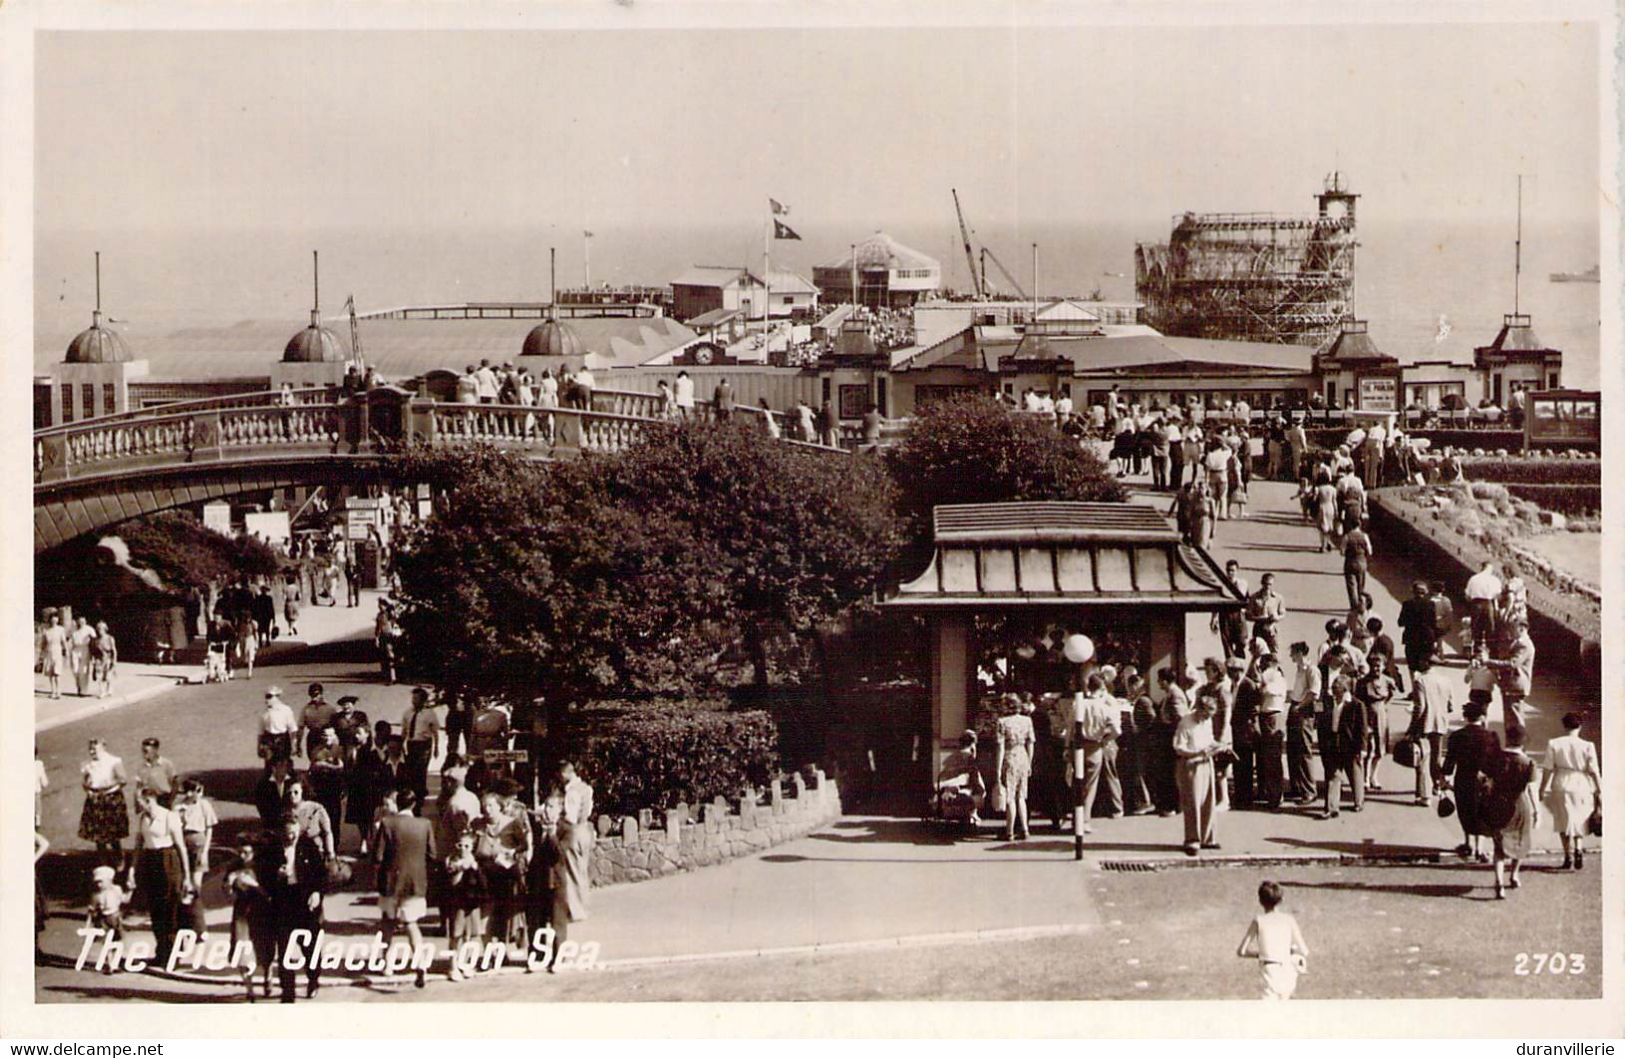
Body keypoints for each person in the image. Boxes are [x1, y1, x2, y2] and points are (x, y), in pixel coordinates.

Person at [260, 815, 328, 1002]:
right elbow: (262, 876)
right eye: (287, 834)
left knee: (310, 947)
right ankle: (287, 990)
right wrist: (276, 874)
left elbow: (322, 874)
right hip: (283, 902)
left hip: (305, 902)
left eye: (294, 833)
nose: (291, 837)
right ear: (281, 832)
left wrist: (317, 893)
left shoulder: (308, 846)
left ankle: (313, 980)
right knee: (284, 949)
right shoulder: (272, 849)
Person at [375, 786, 436, 989]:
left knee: (388, 923)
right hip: (415, 880)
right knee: (411, 923)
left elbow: (377, 856)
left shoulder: (387, 823)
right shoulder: (424, 824)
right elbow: (432, 854)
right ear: (413, 804)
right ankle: (419, 963)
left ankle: (387, 963)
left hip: (391, 881)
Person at [129, 786, 193, 966]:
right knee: (155, 908)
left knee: (170, 908)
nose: (136, 804)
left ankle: (173, 954)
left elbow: (181, 846)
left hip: (168, 860)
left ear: (148, 800)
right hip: (150, 861)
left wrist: (187, 876)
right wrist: (132, 870)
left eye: (138, 800)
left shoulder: (168, 816)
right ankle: (161, 951)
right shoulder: (143, 818)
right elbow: (138, 846)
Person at [1440, 698, 1502, 861]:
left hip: (1463, 779)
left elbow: (1449, 761)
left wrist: (1444, 779)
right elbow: (1497, 761)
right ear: (1481, 717)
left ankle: (1468, 844)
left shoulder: (1456, 736)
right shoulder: (1491, 736)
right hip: (1484, 780)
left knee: (1466, 811)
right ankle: (1479, 849)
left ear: (1465, 717)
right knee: (1481, 813)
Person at [1540, 713, 1601, 871]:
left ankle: (1567, 856)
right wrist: (1600, 790)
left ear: (1564, 726)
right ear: (1579, 726)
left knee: (1563, 820)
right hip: (1582, 784)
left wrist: (1542, 787)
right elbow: (1594, 770)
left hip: (1561, 782)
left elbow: (1547, 768)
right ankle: (1579, 848)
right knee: (1580, 819)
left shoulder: (1554, 743)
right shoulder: (1588, 745)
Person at [1488, 729, 1540, 899]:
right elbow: (1532, 790)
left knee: (1499, 846)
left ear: (1508, 739)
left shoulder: (1496, 758)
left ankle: (1498, 882)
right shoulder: (1528, 763)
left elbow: (1486, 780)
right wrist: (1537, 810)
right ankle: (1514, 875)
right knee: (1521, 842)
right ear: (1523, 743)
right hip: (1519, 806)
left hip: (1498, 803)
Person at [1236, 880, 1310, 1000]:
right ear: (1281, 900)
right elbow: (1304, 950)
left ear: (1260, 901)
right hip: (1288, 970)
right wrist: (1289, 950)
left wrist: (1261, 954)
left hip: (1269, 971)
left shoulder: (1258, 920)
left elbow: (1242, 951)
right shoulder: (1289, 919)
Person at [1173, 692, 1223, 856]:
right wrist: (1196, 753)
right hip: (1191, 764)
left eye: (1211, 715)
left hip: (1206, 762)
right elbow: (1178, 747)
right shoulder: (1185, 723)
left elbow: (1209, 740)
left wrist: (1219, 745)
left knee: (1209, 800)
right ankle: (1192, 840)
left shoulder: (1206, 722)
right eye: (1206, 714)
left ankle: (1207, 838)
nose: (1208, 718)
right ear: (1200, 710)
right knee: (1192, 802)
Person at [226, 844, 276, 1000]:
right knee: (241, 950)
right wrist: (229, 885)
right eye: (239, 852)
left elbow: (271, 896)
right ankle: (250, 989)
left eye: (246, 852)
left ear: (254, 853)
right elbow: (229, 898)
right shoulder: (233, 870)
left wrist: (254, 884)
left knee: (265, 950)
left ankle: (268, 978)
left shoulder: (264, 869)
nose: (242, 856)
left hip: (261, 914)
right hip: (241, 915)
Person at [1075, 676, 1123, 829]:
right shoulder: (1104, 706)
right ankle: (1084, 820)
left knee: (1078, 783)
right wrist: (1105, 739)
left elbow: (1071, 728)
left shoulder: (1079, 704)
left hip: (1079, 745)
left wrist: (1067, 747)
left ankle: (1078, 817)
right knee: (1090, 785)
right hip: (1095, 746)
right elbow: (1117, 730)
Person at [1317, 675, 1366, 818]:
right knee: (1332, 774)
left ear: (1345, 689)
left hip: (1350, 744)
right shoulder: (1327, 701)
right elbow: (1319, 717)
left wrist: (1362, 749)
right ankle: (1331, 807)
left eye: (1336, 687)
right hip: (1332, 742)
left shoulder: (1357, 705)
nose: (1333, 689)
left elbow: (1362, 729)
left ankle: (1358, 801)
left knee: (1354, 773)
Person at [175, 778, 219, 936]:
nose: (195, 794)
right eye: (193, 791)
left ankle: (200, 926)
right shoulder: (179, 806)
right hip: (183, 843)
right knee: (183, 886)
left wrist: (206, 851)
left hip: (198, 844)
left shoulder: (204, 805)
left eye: (198, 791)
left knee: (195, 886)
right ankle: (185, 924)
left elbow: (209, 829)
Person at [443, 831, 488, 981]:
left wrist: (474, 868)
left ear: (472, 847)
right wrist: (461, 868)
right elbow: (452, 883)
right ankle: (452, 966)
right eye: (460, 845)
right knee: (456, 935)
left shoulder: (475, 861)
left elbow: (483, 884)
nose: (463, 848)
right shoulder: (451, 861)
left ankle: (466, 963)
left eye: (467, 846)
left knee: (472, 935)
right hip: (457, 904)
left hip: (472, 903)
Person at [79, 738, 128, 867]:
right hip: (94, 799)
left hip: (111, 798)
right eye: (90, 749)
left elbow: (123, 780)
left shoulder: (114, 761)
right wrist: (88, 789)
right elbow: (85, 783)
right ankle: (103, 863)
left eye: (94, 749)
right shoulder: (87, 764)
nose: (91, 752)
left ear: (103, 747)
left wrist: (108, 790)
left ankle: (119, 859)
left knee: (113, 833)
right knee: (98, 835)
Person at [994, 696, 1035, 841]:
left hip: (1010, 757)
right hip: (1023, 756)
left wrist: (998, 769)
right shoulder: (1027, 721)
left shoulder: (1002, 722)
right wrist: (1029, 762)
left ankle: (1009, 831)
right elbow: (1031, 742)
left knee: (1010, 797)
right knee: (1021, 796)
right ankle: (1025, 828)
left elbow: (1000, 746)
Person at [347, 725, 390, 856]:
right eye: (355, 733)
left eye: (359, 733)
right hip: (356, 786)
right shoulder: (352, 748)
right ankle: (364, 839)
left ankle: (372, 841)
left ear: (367, 734)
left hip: (370, 787)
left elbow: (380, 767)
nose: (356, 736)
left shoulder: (372, 749)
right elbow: (348, 767)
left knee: (371, 816)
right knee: (360, 817)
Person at [1254, 655, 1289, 809]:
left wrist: (1263, 680)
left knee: (1273, 757)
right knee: (1267, 757)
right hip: (1267, 715)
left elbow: (1265, 688)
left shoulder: (1276, 677)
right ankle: (1270, 793)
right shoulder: (1273, 677)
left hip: (1272, 714)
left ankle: (1276, 795)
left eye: (1264, 664)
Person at [400, 687, 442, 810]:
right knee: (410, 770)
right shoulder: (408, 713)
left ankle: (420, 796)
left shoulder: (429, 714)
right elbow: (404, 730)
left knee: (420, 771)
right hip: (411, 744)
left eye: (417, 698)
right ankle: (413, 794)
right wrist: (400, 744)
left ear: (423, 700)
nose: (414, 701)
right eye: (413, 698)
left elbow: (435, 732)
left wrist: (436, 748)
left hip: (424, 745)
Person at [85, 865, 130, 975]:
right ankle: (110, 964)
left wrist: (130, 890)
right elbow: (92, 910)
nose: (99, 885)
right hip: (103, 920)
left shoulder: (116, 890)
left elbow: (125, 900)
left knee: (117, 941)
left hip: (115, 918)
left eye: (101, 882)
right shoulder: (96, 895)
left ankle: (115, 962)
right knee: (107, 942)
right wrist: (88, 923)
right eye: (97, 882)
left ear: (110, 880)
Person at [1397, 582, 1439, 678]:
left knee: (1412, 666)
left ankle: (1415, 688)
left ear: (1413, 592)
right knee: (1425, 666)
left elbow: (1400, 622)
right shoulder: (1430, 604)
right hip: (1426, 640)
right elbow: (1433, 623)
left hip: (1411, 639)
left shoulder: (1407, 604)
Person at [1464, 559, 1503, 655]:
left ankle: (1477, 652)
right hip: (1488, 604)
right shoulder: (1495, 580)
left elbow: (1467, 596)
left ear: (1482, 567)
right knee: (1490, 628)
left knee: (1476, 628)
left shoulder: (1473, 578)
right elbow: (1498, 596)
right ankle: (1490, 652)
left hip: (1476, 604)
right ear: (1490, 569)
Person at [1214, 560, 1250, 660]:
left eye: (1233, 570)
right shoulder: (1221, 584)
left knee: (1242, 641)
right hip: (1225, 614)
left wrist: (1245, 611)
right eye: (1228, 570)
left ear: (1237, 571)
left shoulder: (1243, 584)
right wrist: (1214, 618)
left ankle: (1240, 661)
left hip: (1238, 614)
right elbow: (1216, 601)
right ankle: (1230, 664)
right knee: (1227, 642)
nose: (1230, 573)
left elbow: (1247, 599)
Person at [1246, 574, 1285, 656]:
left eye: (1270, 584)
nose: (1268, 587)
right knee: (1258, 652)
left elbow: (1283, 614)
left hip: (1272, 629)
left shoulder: (1278, 598)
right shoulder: (1254, 597)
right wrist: (1259, 618)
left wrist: (1276, 618)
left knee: (1274, 652)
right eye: (1266, 584)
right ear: (1262, 583)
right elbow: (1248, 615)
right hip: (1258, 628)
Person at [134, 737, 179, 807]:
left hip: (164, 799)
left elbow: (175, 784)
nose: (143, 754)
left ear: (155, 750)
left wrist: (170, 801)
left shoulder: (166, 764)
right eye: (142, 751)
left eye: (146, 751)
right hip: (148, 800)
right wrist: (137, 804)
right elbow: (138, 787)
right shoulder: (141, 767)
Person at [259, 686, 299, 764]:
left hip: (283, 739)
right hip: (269, 739)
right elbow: (261, 732)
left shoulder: (286, 710)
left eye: (269, 696)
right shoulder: (264, 713)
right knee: (269, 764)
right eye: (266, 697)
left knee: (283, 763)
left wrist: (294, 744)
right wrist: (259, 747)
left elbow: (293, 729)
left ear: (277, 697)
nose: (267, 699)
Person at [1340, 520, 1373, 611]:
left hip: (1350, 562)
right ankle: (1361, 604)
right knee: (1361, 585)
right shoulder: (1364, 536)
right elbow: (1370, 551)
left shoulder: (1347, 536)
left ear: (1351, 525)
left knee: (1351, 585)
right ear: (1360, 525)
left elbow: (1342, 552)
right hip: (1362, 562)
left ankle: (1354, 606)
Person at [39, 611, 69, 699]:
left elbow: (63, 641)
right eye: (52, 618)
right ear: (50, 619)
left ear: (58, 619)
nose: (54, 619)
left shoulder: (60, 629)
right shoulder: (47, 631)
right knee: (50, 673)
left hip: (57, 651)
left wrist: (66, 650)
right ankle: (53, 691)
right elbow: (43, 644)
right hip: (49, 652)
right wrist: (41, 655)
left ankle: (58, 691)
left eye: (56, 617)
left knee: (57, 673)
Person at [68, 614, 97, 697]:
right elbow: (70, 640)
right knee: (75, 669)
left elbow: (94, 641)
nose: (81, 622)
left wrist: (93, 654)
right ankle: (78, 686)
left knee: (84, 670)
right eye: (79, 620)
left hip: (85, 649)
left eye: (83, 620)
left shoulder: (89, 629)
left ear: (85, 620)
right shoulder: (74, 630)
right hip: (75, 649)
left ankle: (83, 690)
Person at [89, 620, 118, 699]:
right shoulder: (96, 640)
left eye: (101, 629)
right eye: (98, 629)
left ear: (105, 629)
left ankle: (109, 689)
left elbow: (114, 650)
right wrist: (93, 660)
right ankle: (102, 691)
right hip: (99, 659)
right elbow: (93, 651)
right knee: (99, 676)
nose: (99, 631)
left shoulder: (110, 638)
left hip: (107, 658)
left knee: (108, 676)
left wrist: (114, 661)